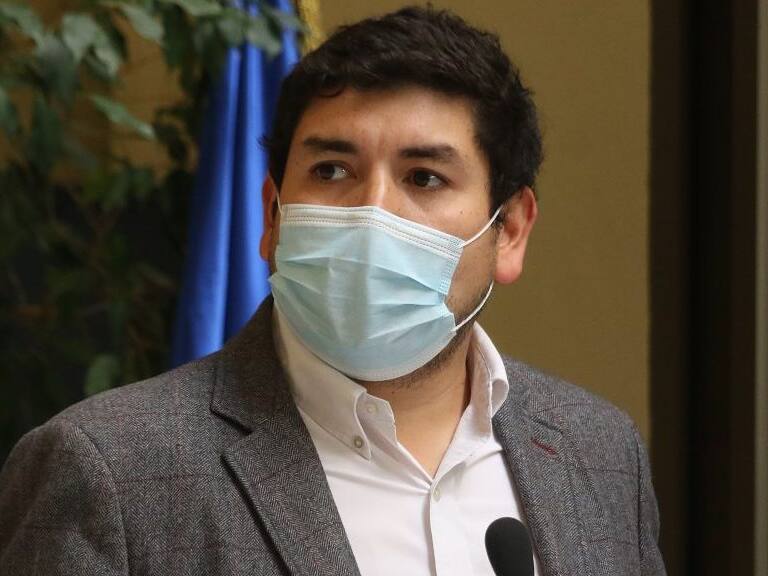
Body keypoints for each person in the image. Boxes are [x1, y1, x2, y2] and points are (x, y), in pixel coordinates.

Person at [0, 6, 666, 576]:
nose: (371, 212)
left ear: (510, 231)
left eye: (424, 178)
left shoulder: (598, 452)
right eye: (332, 170)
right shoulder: (110, 473)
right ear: (272, 217)